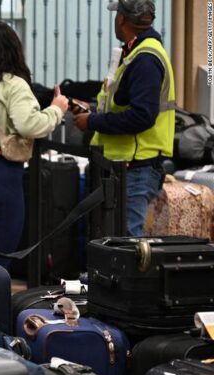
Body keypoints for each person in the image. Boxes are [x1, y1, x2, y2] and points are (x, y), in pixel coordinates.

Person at [0, 21, 68, 268]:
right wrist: (57, 110)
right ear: (13, 49)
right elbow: (30, 125)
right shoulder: (13, 85)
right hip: (0, 178)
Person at [74, 0, 174, 237]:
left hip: (136, 165)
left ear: (121, 18)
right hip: (123, 164)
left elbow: (142, 116)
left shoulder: (145, 59)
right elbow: (120, 105)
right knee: (113, 241)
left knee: (127, 241)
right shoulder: (134, 53)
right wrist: (92, 111)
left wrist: (92, 122)